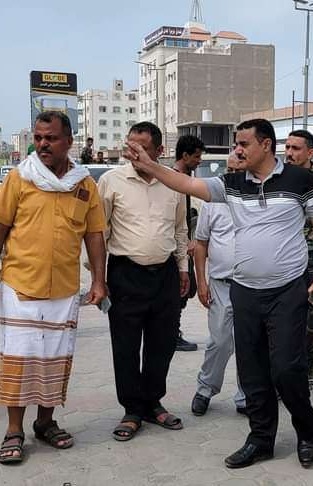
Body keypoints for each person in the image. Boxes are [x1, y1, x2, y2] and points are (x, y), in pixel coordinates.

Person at [122, 118, 313, 470]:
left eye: (243, 144)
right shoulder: (232, 184)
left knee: (287, 369)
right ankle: (261, 439)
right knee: (252, 373)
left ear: (266, 145)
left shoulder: (300, 180)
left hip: (287, 291)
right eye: (236, 143)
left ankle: (307, 433)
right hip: (245, 291)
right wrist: (149, 164)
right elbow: (187, 183)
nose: (237, 150)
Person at [0, 111, 106, 464]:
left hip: (64, 290)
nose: (43, 144)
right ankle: (13, 430)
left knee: (54, 360)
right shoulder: (20, 178)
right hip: (19, 286)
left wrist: (99, 280)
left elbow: (95, 235)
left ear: (69, 142)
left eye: (51, 138)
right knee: (19, 360)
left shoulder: (84, 185)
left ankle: (45, 423)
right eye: (38, 138)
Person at [98, 121, 189, 442]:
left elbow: (180, 229)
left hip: (165, 274)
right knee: (125, 345)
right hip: (125, 274)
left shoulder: (173, 183)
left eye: (142, 148)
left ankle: (153, 403)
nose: (133, 153)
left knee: (162, 343)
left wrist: (183, 268)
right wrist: (97, 279)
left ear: (159, 151)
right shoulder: (111, 181)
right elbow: (98, 233)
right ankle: (132, 409)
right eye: (130, 146)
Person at [190, 152, 247, 417]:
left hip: (252, 286)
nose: (233, 175)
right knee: (220, 342)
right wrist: (201, 282)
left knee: (249, 342)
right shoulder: (212, 201)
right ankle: (205, 389)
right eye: (230, 170)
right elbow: (201, 243)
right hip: (221, 284)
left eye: (239, 170)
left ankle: (247, 395)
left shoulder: (259, 198)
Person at [284, 128, 313, 389]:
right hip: (286, 259)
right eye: (287, 148)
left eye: (296, 148)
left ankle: (309, 366)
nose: (289, 153)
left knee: (311, 316)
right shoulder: (279, 178)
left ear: (310, 152)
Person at [173, 134, 207, 353]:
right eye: (196, 156)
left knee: (186, 289)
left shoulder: (185, 180)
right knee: (179, 290)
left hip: (184, 243)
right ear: (185, 156)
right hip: (174, 247)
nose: (199, 161)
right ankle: (171, 333)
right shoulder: (173, 180)